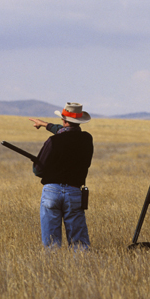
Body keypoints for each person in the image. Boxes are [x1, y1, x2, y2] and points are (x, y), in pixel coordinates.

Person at [29, 102, 93, 250]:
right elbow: (68, 132)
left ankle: (52, 270)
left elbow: (37, 170)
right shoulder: (87, 139)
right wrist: (45, 125)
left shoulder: (53, 141)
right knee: (79, 245)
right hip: (74, 192)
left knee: (51, 245)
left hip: (51, 191)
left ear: (63, 121)